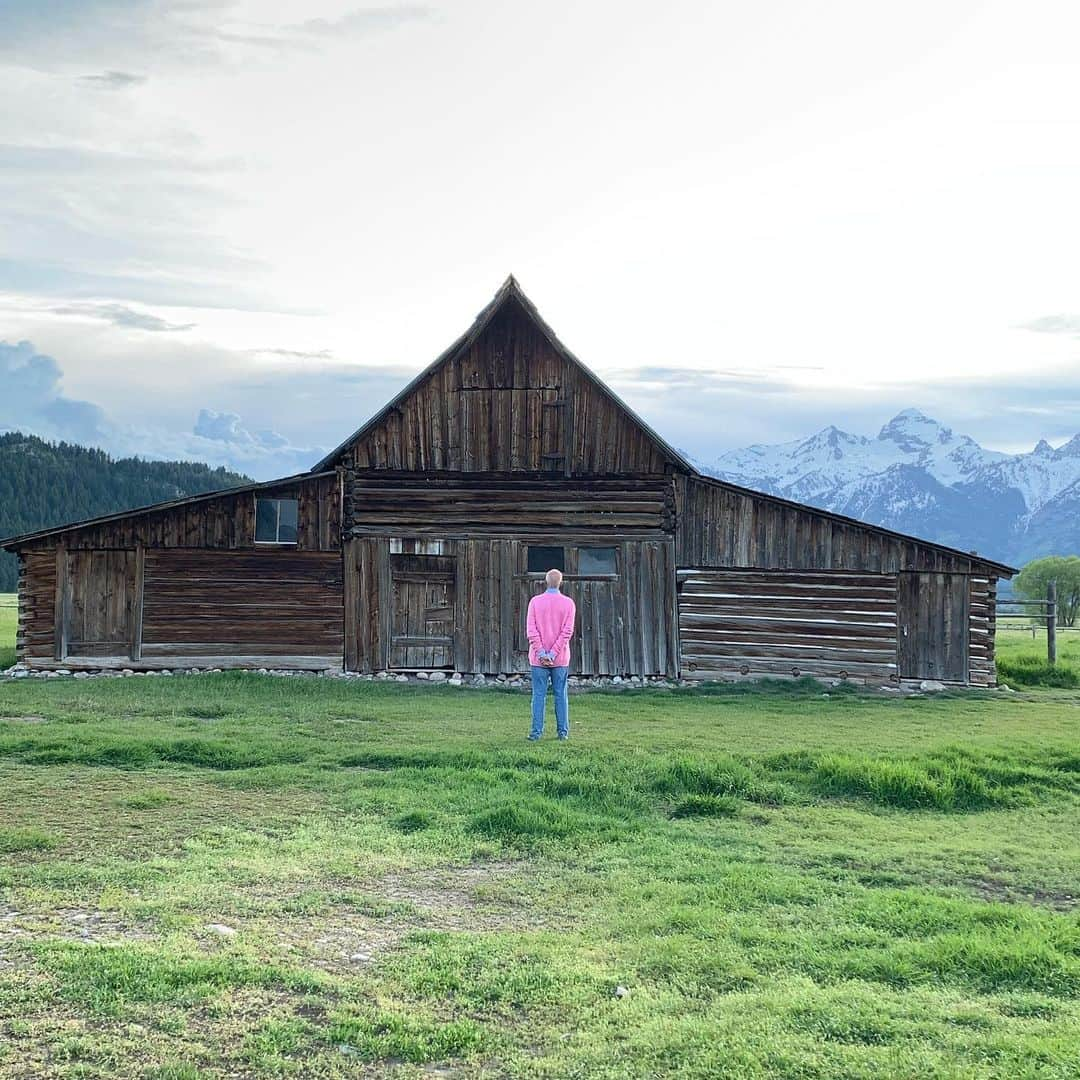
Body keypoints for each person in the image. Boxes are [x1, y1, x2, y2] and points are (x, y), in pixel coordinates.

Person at [525, 568, 576, 741]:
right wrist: (553, 654)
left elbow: (531, 630)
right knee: (561, 695)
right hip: (560, 658)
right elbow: (567, 632)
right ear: (560, 582)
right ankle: (562, 733)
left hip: (538, 660)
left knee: (538, 695)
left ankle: (536, 733)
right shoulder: (569, 603)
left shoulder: (535, 602)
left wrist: (541, 653)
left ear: (546, 582)